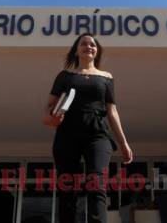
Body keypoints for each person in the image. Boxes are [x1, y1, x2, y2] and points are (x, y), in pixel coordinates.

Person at [42, 33, 133, 223]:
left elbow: (112, 111)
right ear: (77, 50)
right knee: (67, 186)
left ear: (97, 51)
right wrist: (50, 118)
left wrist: (123, 143)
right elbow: (48, 107)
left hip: (97, 134)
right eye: (83, 43)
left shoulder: (106, 77)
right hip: (67, 134)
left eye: (92, 44)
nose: (88, 46)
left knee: (96, 184)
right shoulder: (65, 76)